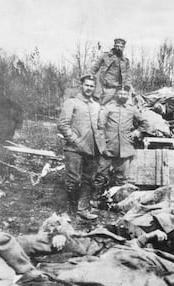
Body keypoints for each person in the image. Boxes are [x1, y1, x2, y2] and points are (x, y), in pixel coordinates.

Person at [57, 74, 103, 220]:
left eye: (91, 86)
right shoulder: (72, 102)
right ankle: (69, 211)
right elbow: (62, 125)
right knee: (73, 180)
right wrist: (75, 141)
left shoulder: (96, 105)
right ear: (81, 86)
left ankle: (83, 209)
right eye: (86, 85)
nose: (89, 88)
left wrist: (101, 143)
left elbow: (100, 126)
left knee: (88, 180)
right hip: (74, 150)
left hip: (92, 149)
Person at [95, 90, 146, 195]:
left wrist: (137, 132)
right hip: (108, 147)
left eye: (125, 94)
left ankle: (117, 201)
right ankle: (95, 199)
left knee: (122, 178)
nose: (123, 96)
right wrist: (101, 145)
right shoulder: (109, 108)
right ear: (116, 94)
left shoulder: (132, 109)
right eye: (120, 93)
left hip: (125, 147)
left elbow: (145, 123)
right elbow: (100, 127)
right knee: (100, 175)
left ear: (128, 96)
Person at [89, 38, 133, 105]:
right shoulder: (105, 56)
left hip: (115, 89)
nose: (118, 48)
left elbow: (128, 76)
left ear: (123, 48)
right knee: (95, 106)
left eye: (121, 47)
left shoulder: (125, 61)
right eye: (117, 46)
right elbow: (95, 68)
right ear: (114, 46)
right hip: (102, 86)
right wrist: (90, 78)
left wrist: (127, 87)